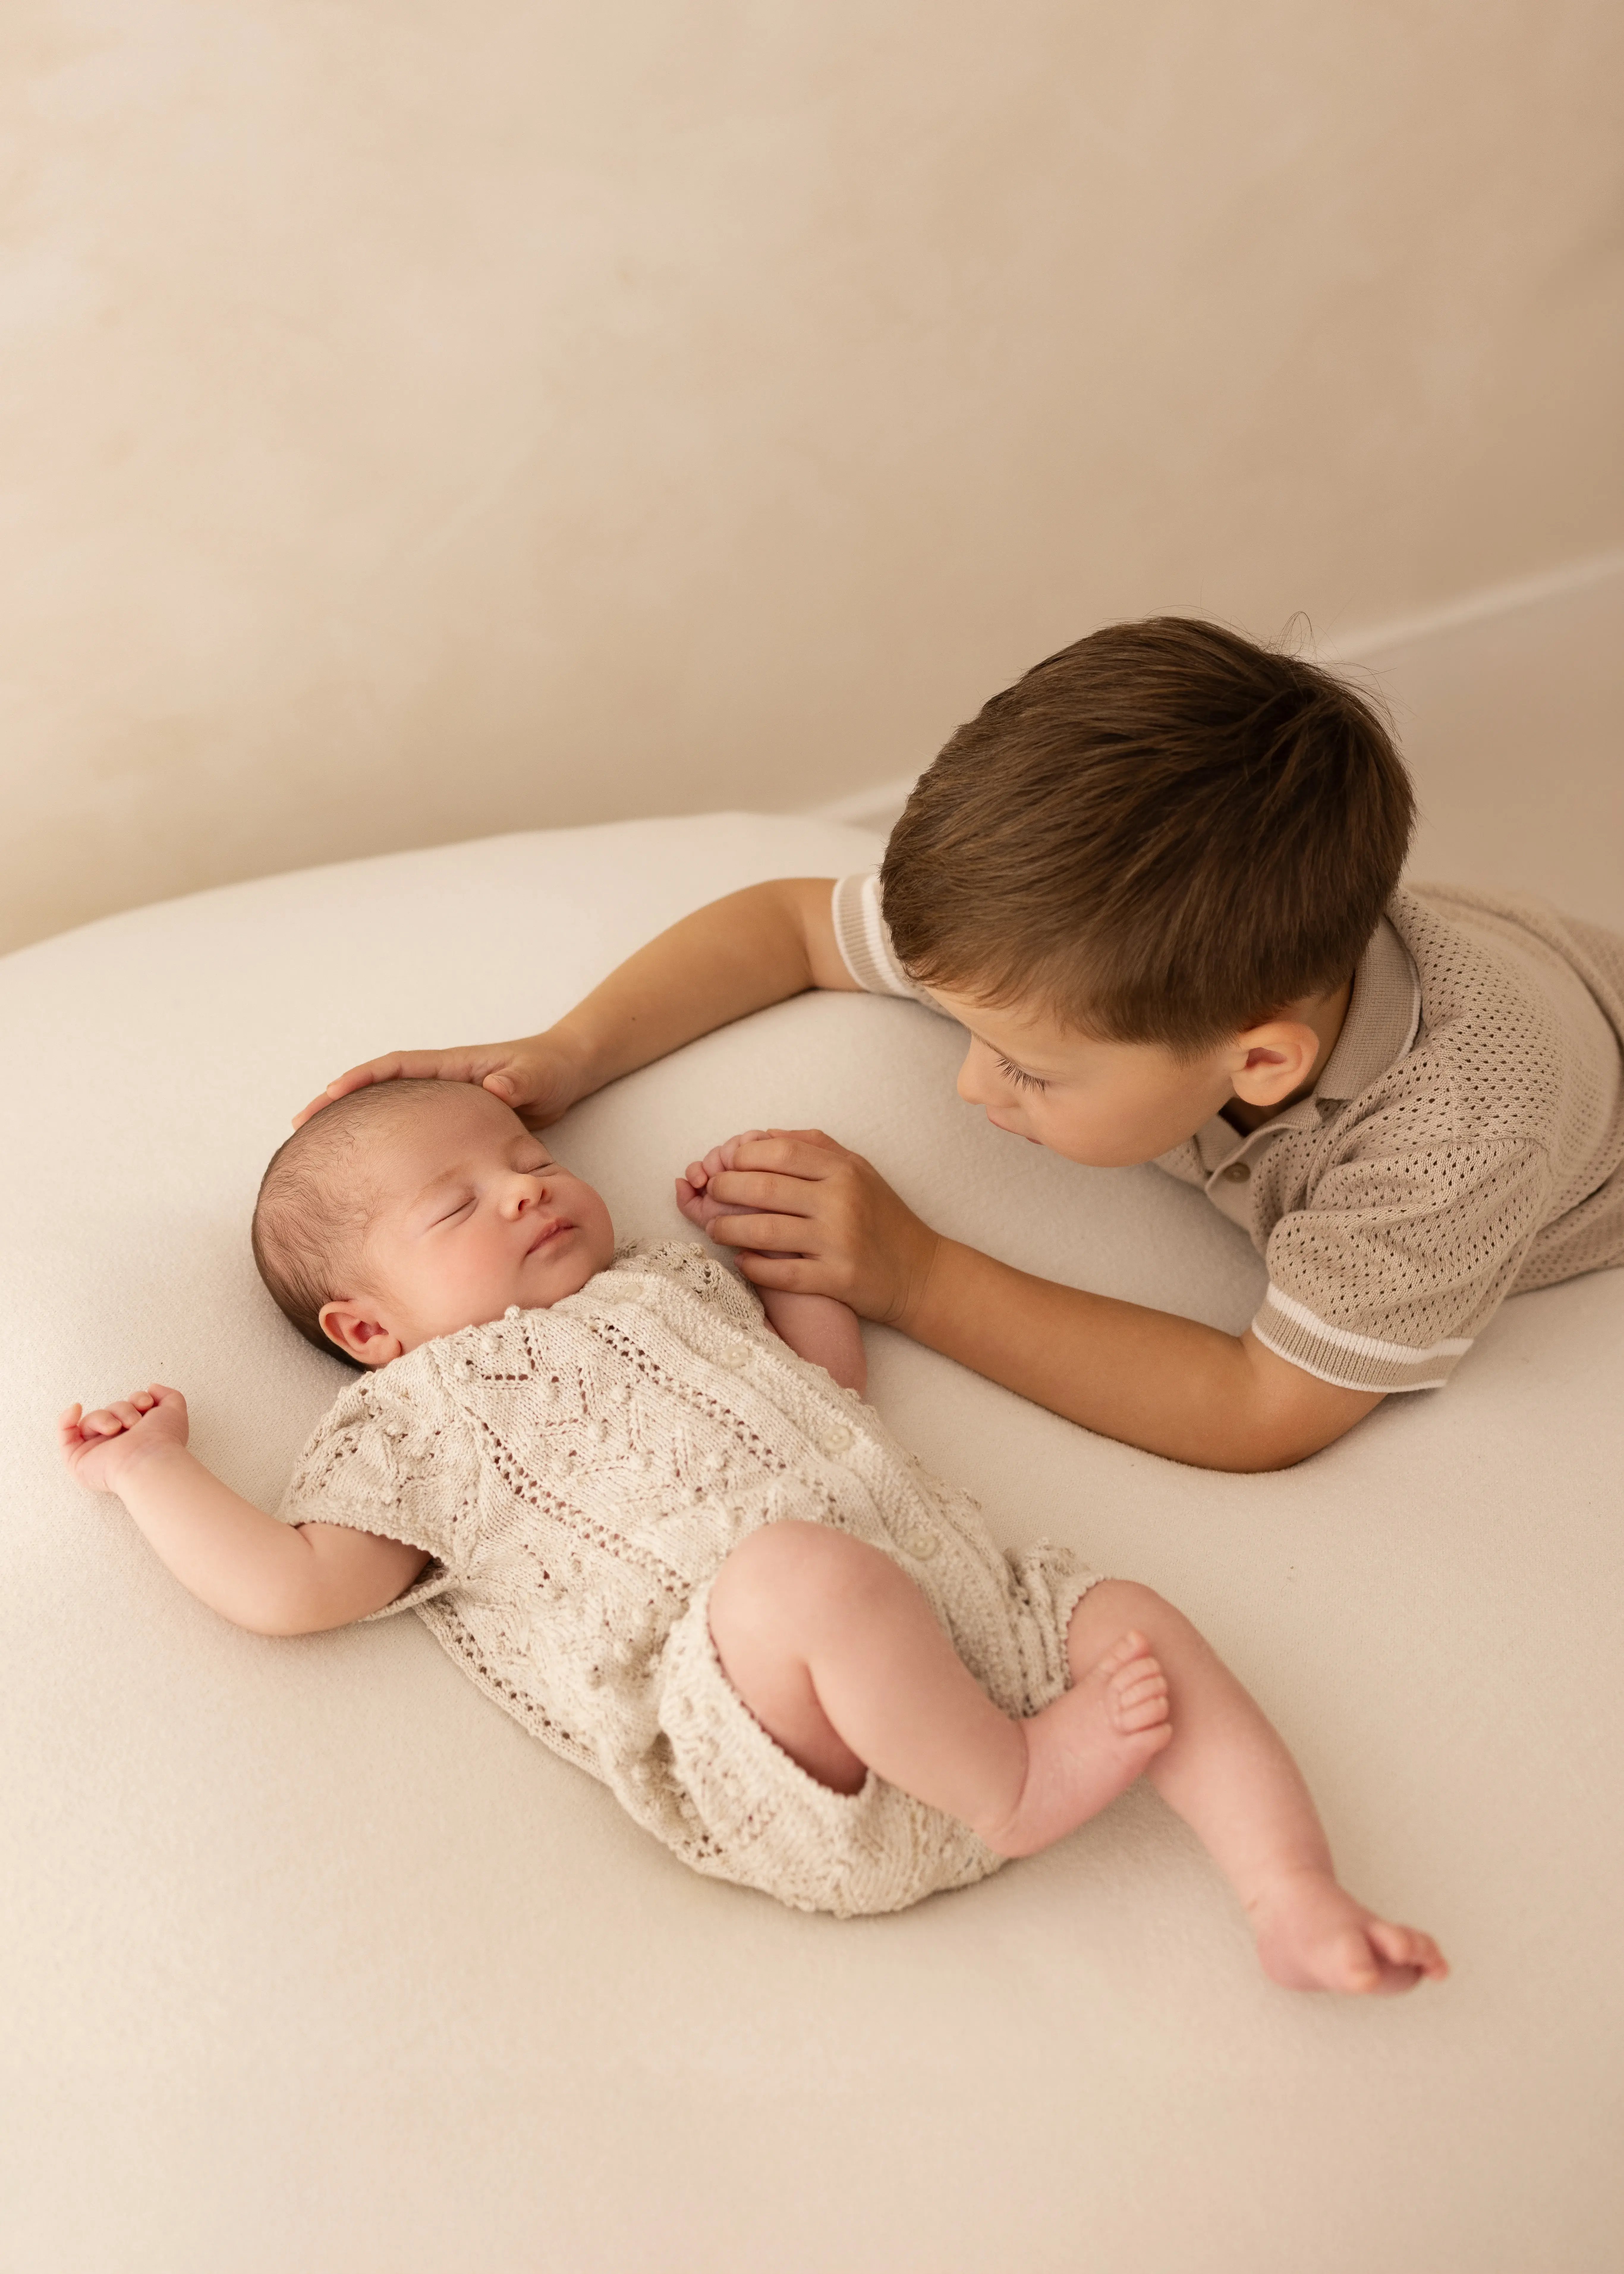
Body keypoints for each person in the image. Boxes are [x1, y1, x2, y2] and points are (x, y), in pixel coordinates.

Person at [60, 1079, 1444, 1990]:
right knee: (791, 1571)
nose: (526, 1189)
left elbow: (824, 1396)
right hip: (781, 1749)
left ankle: (1290, 1894)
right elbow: (292, 1585)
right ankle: (1013, 1784)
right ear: (367, 1328)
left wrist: (799, 1266)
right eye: (457, 1204)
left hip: (953, 1619)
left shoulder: (664, 1285)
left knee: (1127, 1613)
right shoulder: (414, 1418)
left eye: (528, 1159)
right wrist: (156, 1472)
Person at [295, 618, 1624, 1473]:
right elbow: (783, 924)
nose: (969, 1078)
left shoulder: (1452, 1139)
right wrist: (568, 1053)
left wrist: (918, 1274)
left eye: (1029, 1070)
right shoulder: (1055, 943)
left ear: (1258, 1063)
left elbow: (1261, 1407)